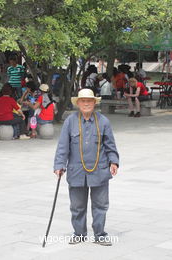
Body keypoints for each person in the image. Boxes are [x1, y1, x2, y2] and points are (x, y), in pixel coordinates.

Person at [54, 88, 119, 246]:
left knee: (101, 204)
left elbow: (110, 145)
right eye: (83, 101)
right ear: (78, 103)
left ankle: (99, 234)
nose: (86, 104)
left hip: (100, 170)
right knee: (77, 206)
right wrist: (59, 165)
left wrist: (114, 162)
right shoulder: (70, 121)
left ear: (94, 103)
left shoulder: (103, 121)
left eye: (89, 101)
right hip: (77, 171)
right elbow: (63, 145)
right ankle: (79, 233)